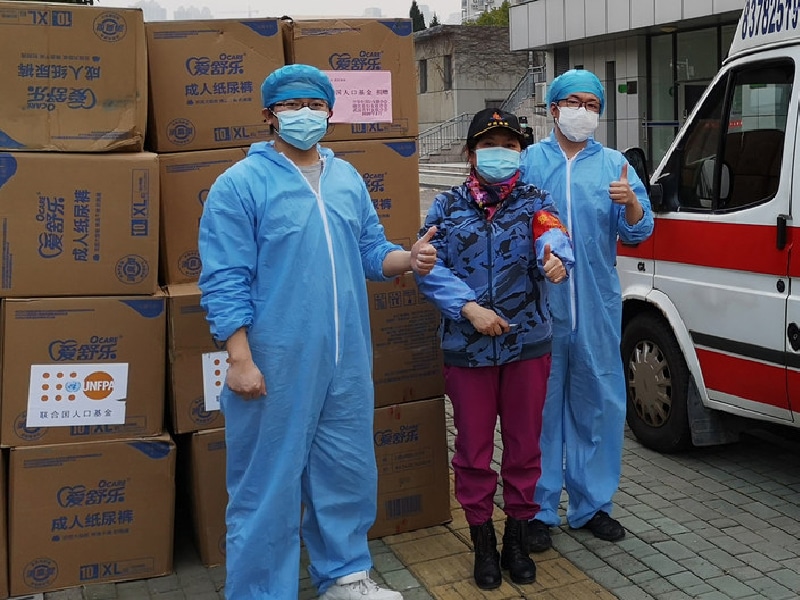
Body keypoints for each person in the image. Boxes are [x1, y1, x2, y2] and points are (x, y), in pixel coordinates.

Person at [197, 64, 437, 600]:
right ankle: (261, 590)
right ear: (269, 115)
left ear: (331, 111)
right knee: (267, 483)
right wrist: (239, 358)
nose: (304, 114)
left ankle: (344, 576)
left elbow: (372, 250)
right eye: (291, 105)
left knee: (345, 471)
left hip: (345, 357)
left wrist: (409, 258)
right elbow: (223, 277)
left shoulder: (346, 177)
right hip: (274, 358)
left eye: (314, 104)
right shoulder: (241, 184)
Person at [415, 108, 574, 590]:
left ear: (521, 153)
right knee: (473, 449)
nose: (501, 155)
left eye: (510, 146)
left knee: (525, 446)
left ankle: (517, 538)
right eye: (490, 146)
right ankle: (482, 540)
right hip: (467, 349)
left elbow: (554, 236)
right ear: (470, 154)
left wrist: (556, 259)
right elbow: (427, 265)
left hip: (527, 345)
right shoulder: (446, 205)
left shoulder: (535, 201)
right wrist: (467, 308)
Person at [519, 69, 654, 552]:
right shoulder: (529, 162)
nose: (583, 111)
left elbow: (638, 233)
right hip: (539, 309)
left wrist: (632, 205)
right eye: (573, 102)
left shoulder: (614, 165)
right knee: (539, 411)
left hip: (596, 306)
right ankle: (535, 510)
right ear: (553, 108)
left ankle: (592, 505)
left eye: (592, 104)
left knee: (599, 405)